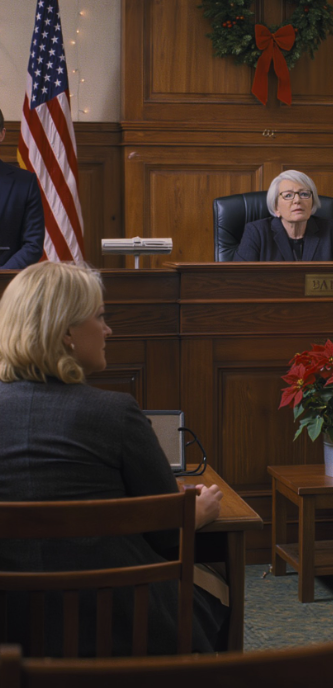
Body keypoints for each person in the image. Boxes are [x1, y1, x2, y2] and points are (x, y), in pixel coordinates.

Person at [0, 261, 227, 656]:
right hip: (115, 629)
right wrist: (198, 511)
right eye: (101, 316)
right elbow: (166, 536)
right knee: (218, 587)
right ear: (66, 332)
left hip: (10, 628)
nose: (109, 330)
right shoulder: (115, 413)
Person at [234, 170, 333, 261]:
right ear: (276, 207)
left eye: (304, 194)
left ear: (312, 203)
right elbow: (240, 278)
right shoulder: (256, 232)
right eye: (288, 195)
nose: (297, 200)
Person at [0, 108, 45, 269]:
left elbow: (33, 245)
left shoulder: (25, 182)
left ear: (2, 134)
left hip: (7, 281)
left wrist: (2, 276)